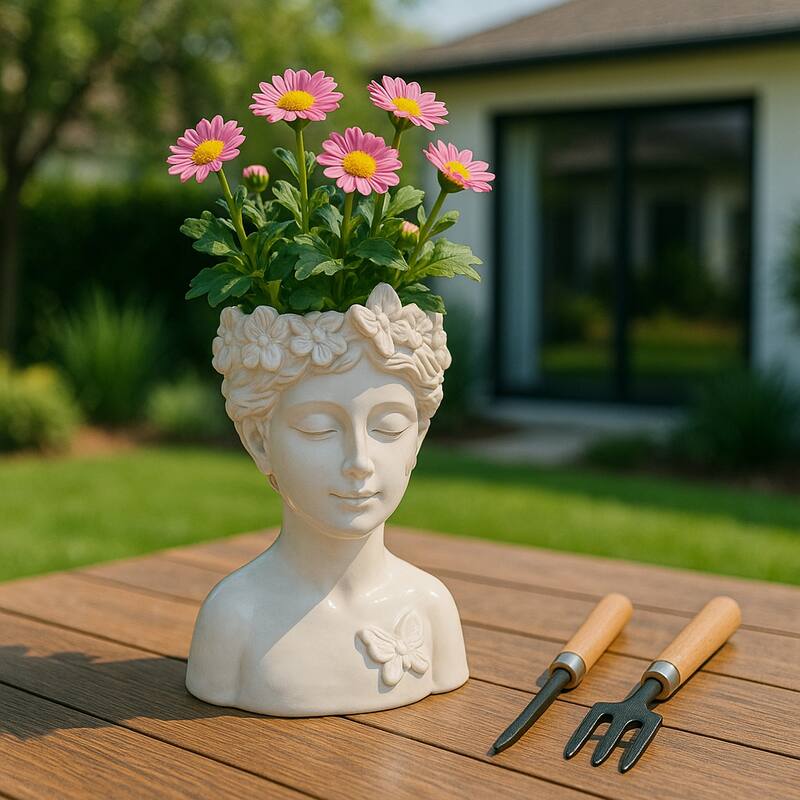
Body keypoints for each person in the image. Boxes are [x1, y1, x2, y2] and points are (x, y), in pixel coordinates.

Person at [186, 284, 469, 716]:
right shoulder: (235, 619)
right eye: (319, 428)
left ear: (419, 437)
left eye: (389, 426)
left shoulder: (430, 608)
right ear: (259, 440)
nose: (359, 461)